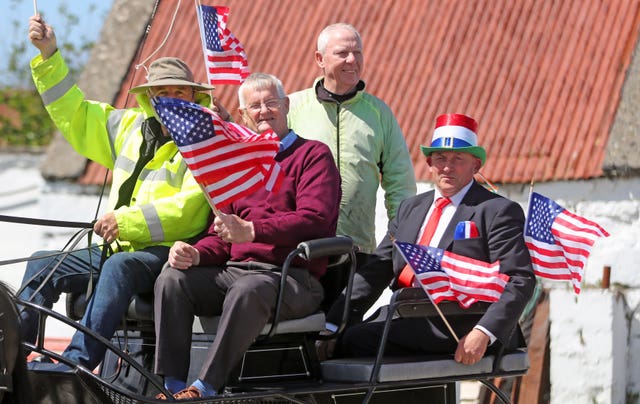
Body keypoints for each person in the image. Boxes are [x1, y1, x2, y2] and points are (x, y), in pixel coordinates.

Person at [18, 15, 213, 370]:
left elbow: (189, 211)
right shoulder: (127, 126)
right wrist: (49, 56)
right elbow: (73, 112)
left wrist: (124, 221)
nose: (170, 99)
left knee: (120, 266)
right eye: (162, 92)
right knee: (41, 263)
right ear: (149, 98)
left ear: (194, 96)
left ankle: (74, 365)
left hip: (167, 255)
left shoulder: (206, 142)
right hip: (115, 246)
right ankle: (12, 357)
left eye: (179, 92)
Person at [153, 73, 341, 399]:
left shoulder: (313, 155)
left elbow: (316, 219)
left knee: (248, 288)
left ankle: (205, 387)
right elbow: (223, 234)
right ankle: (170, 386)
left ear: (286, 105)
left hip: (291, 277)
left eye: (271, 102)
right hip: (237, 272)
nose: (264, 111)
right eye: (254, 106)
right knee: (172, 278)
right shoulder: (238, 164)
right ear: (242, 116)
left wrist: (253, 230)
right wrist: (195, 253)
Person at [337, 113, 536, 364]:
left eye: (458, 159)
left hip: (456, 322)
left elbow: (520, 278)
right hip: (405, 313)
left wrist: (483, 332)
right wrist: (334, 321)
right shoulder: (411, 208)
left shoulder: (495, 210)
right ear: (429, 163)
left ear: (476, 165)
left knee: (354, 342)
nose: (447, 167)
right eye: (440, 158)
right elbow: (378, 268)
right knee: (332, 338)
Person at [287, 23, 417, 315]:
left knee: (342, 335)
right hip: (301, 249)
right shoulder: (292, 107)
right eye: (342, 53)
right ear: (319, 60)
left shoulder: (379, 113)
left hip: (357, 249)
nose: (352, 60)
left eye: (357, 52)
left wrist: (401, 238)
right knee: (302, 332)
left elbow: (400, 183)